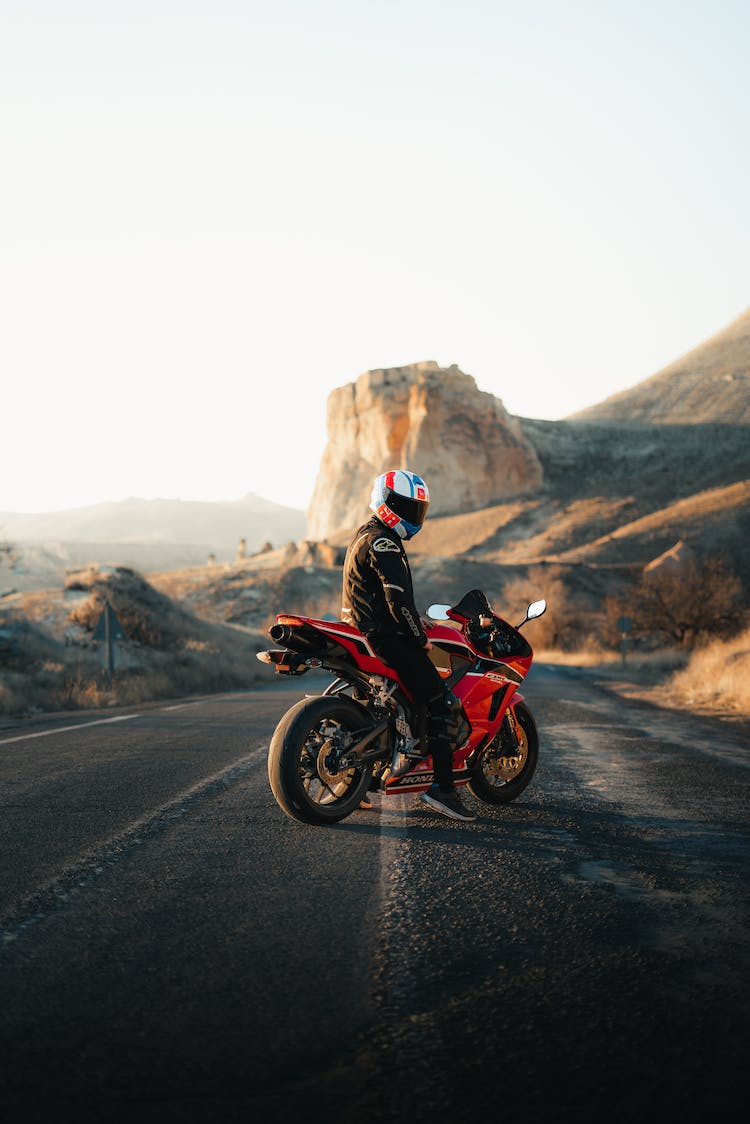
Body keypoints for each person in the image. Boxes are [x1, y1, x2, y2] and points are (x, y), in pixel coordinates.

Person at [341, 469, 476, 822]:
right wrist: (419, 637)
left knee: (376, 708)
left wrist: (417, 618)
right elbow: (397, 600)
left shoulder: (365, 534)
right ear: (385, 501)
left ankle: (361, 785)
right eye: (405, 506)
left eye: (417, 508)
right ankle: (444, 790)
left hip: (361, 634)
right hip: (385, 638)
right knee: (442, 700)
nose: (413, 515)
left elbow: (380, 595)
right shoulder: (385, 542)